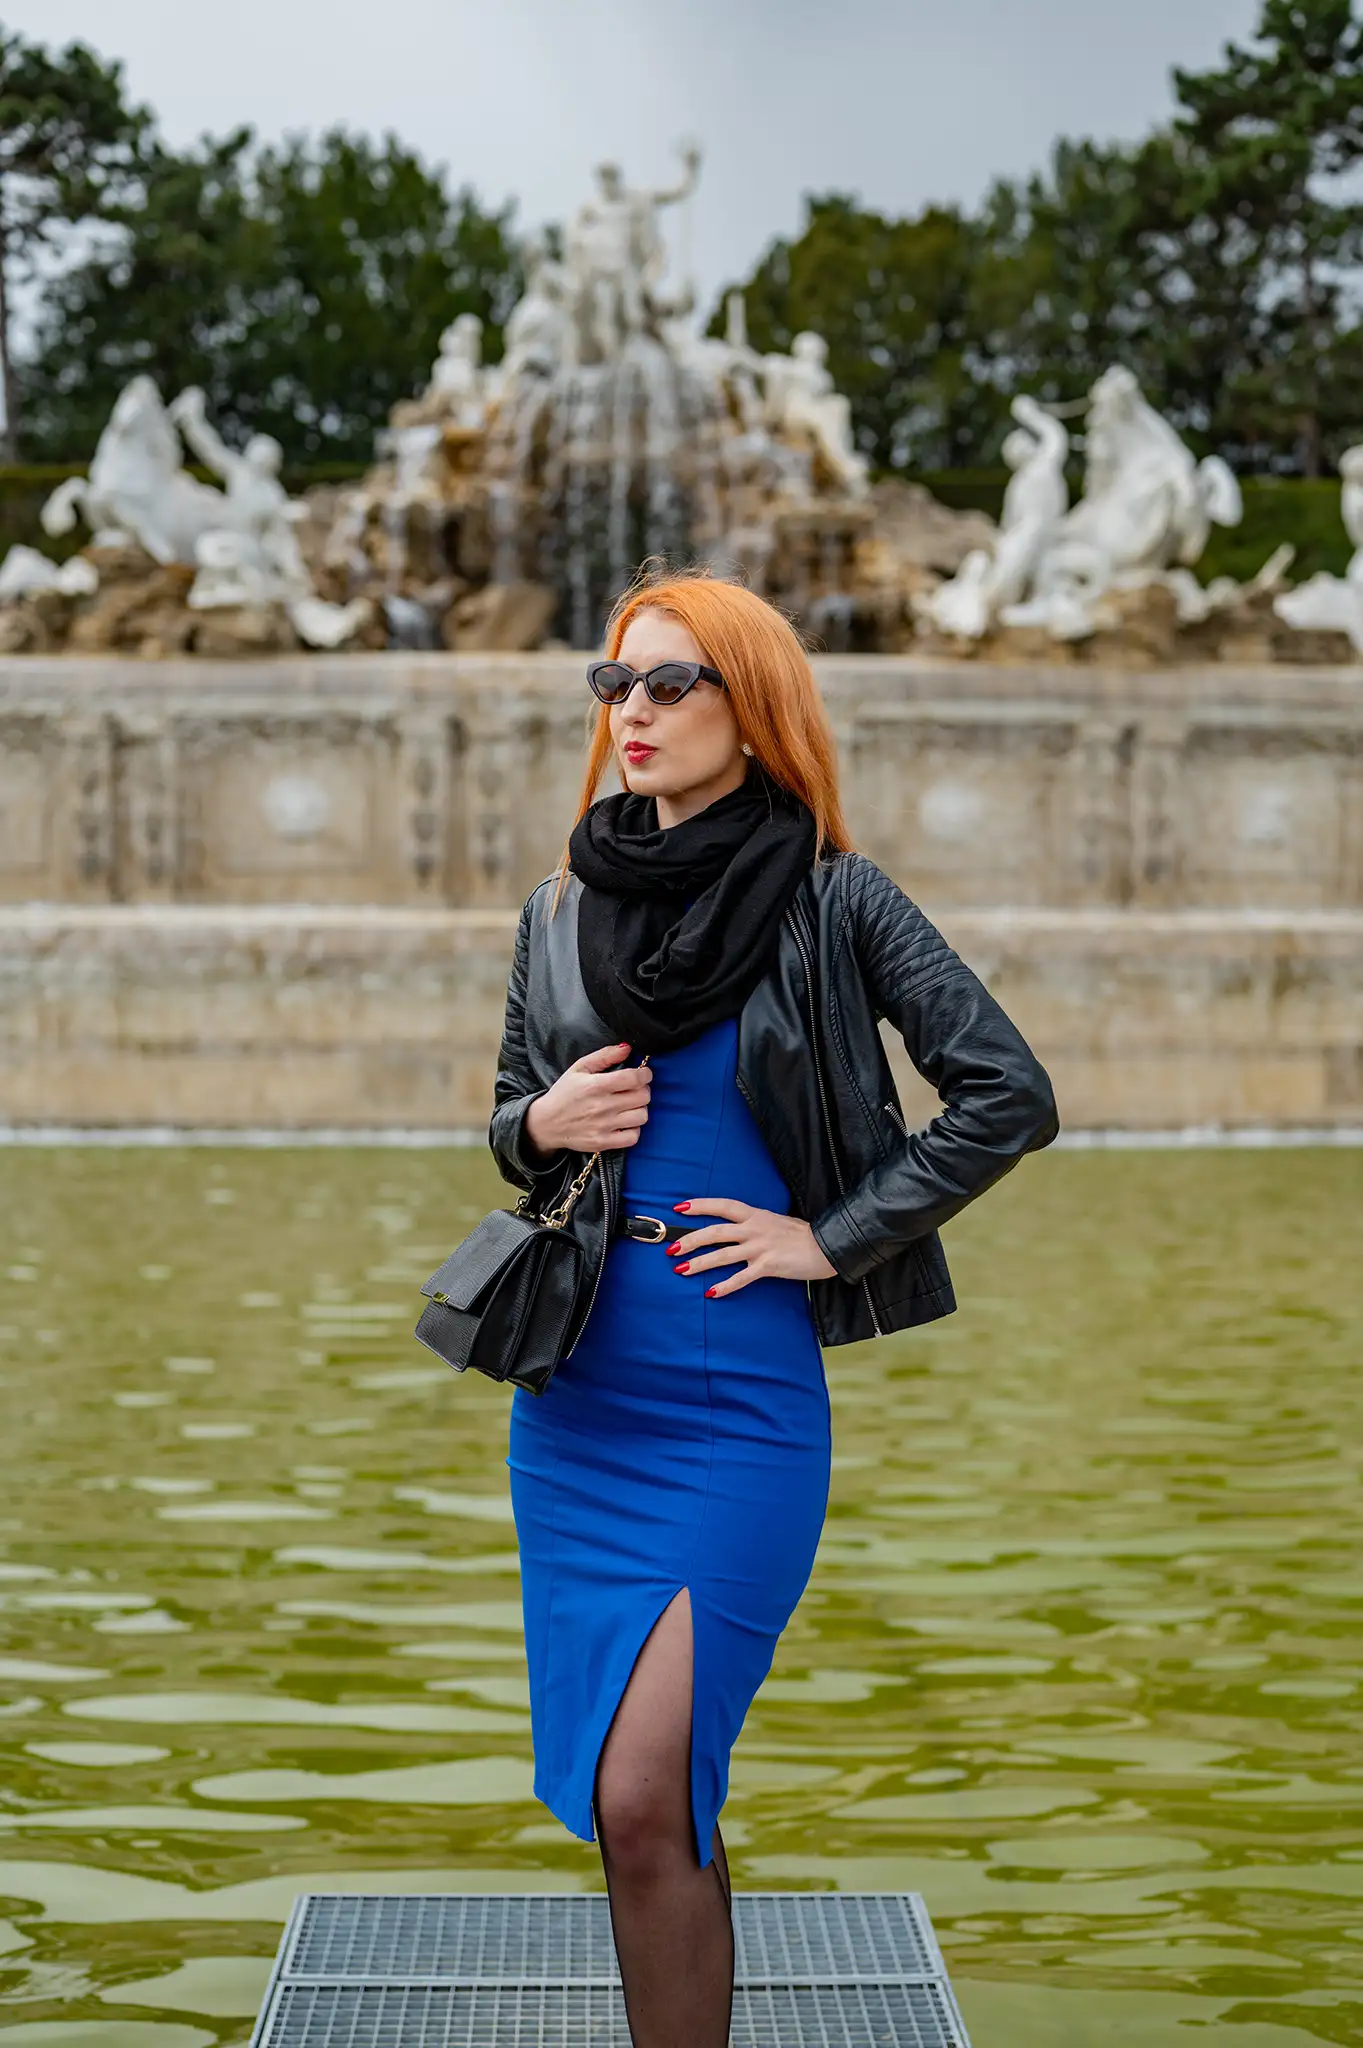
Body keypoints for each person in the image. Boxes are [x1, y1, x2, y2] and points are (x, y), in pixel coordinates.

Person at [490, 571, 1058, 2047]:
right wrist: (543, 1122)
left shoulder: (834, 896)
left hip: (733, 1403)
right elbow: (509, 1122)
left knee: (644, 1790)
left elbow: (1007, 1093)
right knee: (639, 1807)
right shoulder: (559, 908)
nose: (634, 712)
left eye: (672, 683)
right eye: (616, 683)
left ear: (754, 711)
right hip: (579, 1405)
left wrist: (830, 1239)